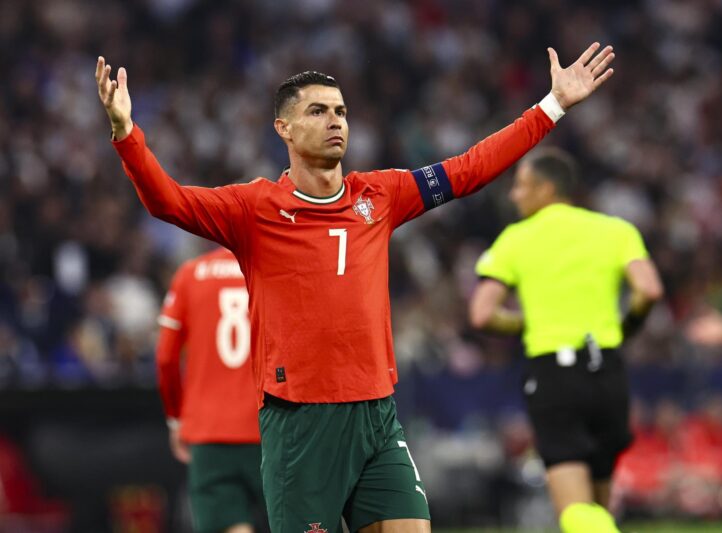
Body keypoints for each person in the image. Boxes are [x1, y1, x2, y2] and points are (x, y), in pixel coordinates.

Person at [95, 41, 615, 533]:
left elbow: (470, 169)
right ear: (284, 128)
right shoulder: (253, 209)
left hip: (377, 415)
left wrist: (552, 106)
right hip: (301, 423)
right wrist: (126, 133)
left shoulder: (381, 195)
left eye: (341, 111)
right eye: (318, 111)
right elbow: (167, 201)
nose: (335, 121)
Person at [469, 148, 663, 533]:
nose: (514, 195)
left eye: (521, 186)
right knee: (597, 507)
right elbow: (649, 290)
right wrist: (628, 327)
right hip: (607, 370)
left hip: (554, 376)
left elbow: (482, 313)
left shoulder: (516, 238)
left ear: (545, 188)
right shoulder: (615, 230)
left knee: (574, 509)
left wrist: (524, 324)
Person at [156, 246, 264, 533]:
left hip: (209, 431)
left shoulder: (191, 274)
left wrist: (175, 418)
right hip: (268, 427)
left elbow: (166, 357)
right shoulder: (273, 268)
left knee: (229, 524)